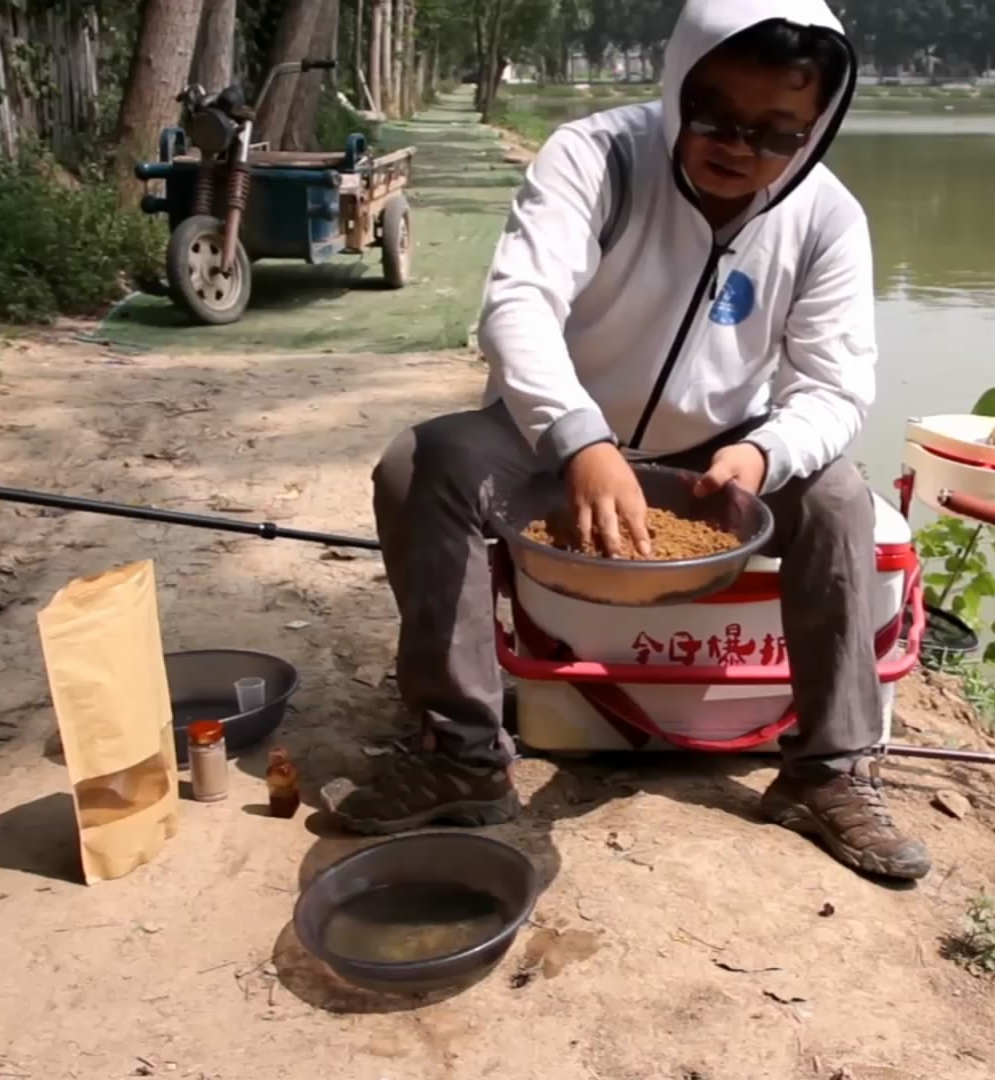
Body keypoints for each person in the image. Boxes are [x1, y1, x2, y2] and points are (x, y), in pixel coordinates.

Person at [322, 0, 931, 881]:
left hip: (720, 452)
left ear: (816, 129)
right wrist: (580, 440)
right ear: (679, 82)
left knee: (837, 495)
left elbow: (834, 387)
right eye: (716, 114)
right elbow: (520, 307)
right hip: (553, 435)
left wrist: (764, 455)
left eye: (776, 133)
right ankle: (462, 750)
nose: (739, 147)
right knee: (420, 463)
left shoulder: (827, 218)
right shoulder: (596, 157)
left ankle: (828, 770)